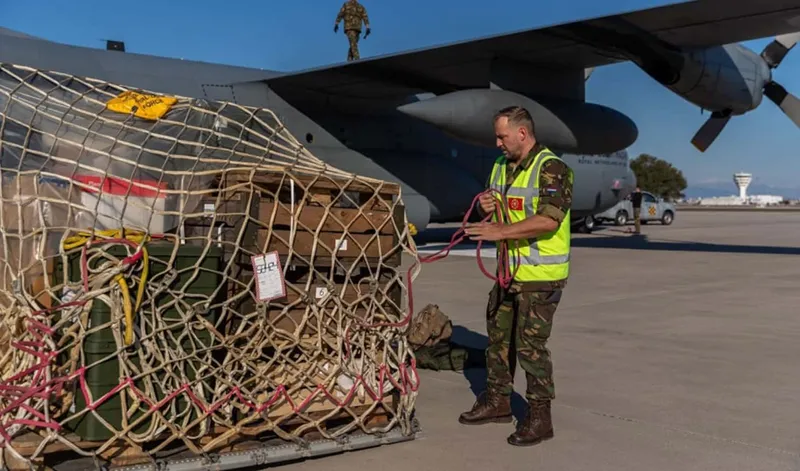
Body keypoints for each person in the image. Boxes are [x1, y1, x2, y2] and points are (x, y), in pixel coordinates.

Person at [461, 105, 573, 447]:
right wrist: (484, 205)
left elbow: (549, 220)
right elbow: (492, 202)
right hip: (508, 273)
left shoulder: (552, 168)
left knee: (530, 347)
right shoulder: (500, 166)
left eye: (502, 136)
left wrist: (502, 232)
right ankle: (497, 403)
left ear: (522, 134)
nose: (497, 143)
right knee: (498, 339)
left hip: (540, 277)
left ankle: (540, 418)